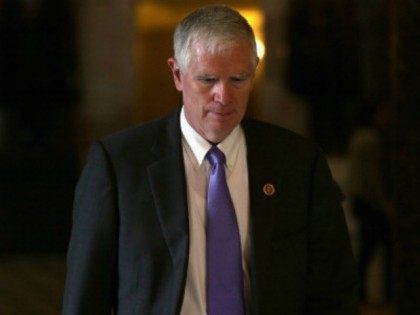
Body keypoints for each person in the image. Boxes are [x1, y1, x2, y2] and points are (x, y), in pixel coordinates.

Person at [63, 5, 359, 315]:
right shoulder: (119, 166)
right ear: (177, 74)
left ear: (254, 70)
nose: (224, 96)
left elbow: (335, 291)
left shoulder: (298, 163)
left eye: (238, 79)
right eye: (208, 80)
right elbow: (85, 299)